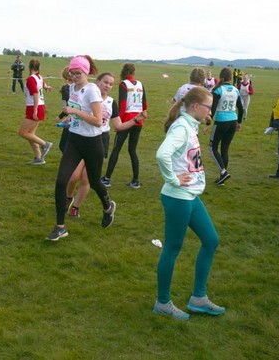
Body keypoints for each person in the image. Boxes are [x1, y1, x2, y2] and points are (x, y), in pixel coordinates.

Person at [153, 86, 225, 321]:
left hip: (191, 196)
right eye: (208, 107)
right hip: (178, 197)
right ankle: (163, 303)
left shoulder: (189, 125)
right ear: (195, 106)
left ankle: (198, 299)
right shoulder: (182, 127)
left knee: (211, 240)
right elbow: (162, 154)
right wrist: (173, 179)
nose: (210, 112)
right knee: (172, 248)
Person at [46, 55, 116, 241]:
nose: (75, 76)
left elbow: (97, 121)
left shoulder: (92, 90)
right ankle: (60, 227)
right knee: (61, 181)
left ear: (86, 72)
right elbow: (73, 109)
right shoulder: (71, 88)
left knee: (94, 182)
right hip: (74, 140)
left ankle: (108, 207)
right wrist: (65, 116)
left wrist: (75, 111)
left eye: (78, 73)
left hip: (92, 142)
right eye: (72, 73)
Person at [66, 72, 142, 217]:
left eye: (111, 84)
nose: (107, 86)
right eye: (105, 82)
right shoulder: (87, 95)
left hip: (100, 140)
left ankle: (76, 207)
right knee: (73, 176)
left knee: (86, 178)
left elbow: (118, 126)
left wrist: (136, 120)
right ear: (97, 81)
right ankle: (68, 198)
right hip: (83, 137)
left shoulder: (111, 102)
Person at [102, 63, 148, 189]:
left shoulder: (123, 84)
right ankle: (135, 180)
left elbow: (122, 104)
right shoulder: (140, 84)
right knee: (132, 150)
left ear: (124, 72)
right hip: (138, 120)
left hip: (126, 120)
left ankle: (107, 179)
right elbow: (144, 104)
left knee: (116, 149)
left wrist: (120, 122)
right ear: (134, 72)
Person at [208, 68, 243, 186]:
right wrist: (239, 123)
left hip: (221, 121)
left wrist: (207, 124)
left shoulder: (218, 90)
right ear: (231, 78)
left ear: (221, 77)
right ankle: (222, 179)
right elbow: (241, 109)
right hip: (233, 121)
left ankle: (223, 172)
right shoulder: (235, 90)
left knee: (212, 147)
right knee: (224, 149)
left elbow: (213, 109)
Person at [19, 58, 53, 165]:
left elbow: (36, 93)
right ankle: (39, 158)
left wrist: (35, 110)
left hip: (34, 107)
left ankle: (45, 144)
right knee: (30, 134)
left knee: (22, 133)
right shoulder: (39, 77)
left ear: (29, 67)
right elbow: (43, 85)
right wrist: (47, 87)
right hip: (40, 106)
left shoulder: (31, 79)